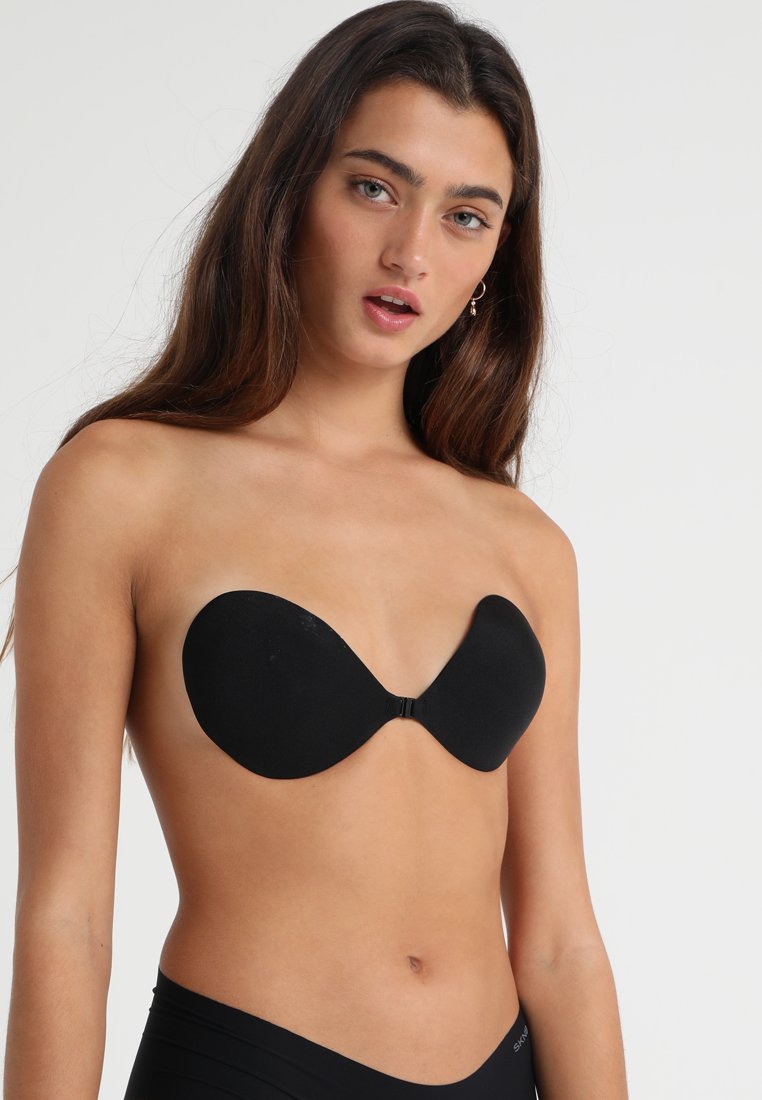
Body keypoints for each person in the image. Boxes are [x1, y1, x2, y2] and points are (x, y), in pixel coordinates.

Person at [2, 1, 629, 1097]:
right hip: (245, 1067)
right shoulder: (122, 484)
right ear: (291, 190)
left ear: (495, 257)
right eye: (375, 188)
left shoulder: (525, 545)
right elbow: (68, 918)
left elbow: (561, 939)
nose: (411, 253)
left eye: (466, 216)